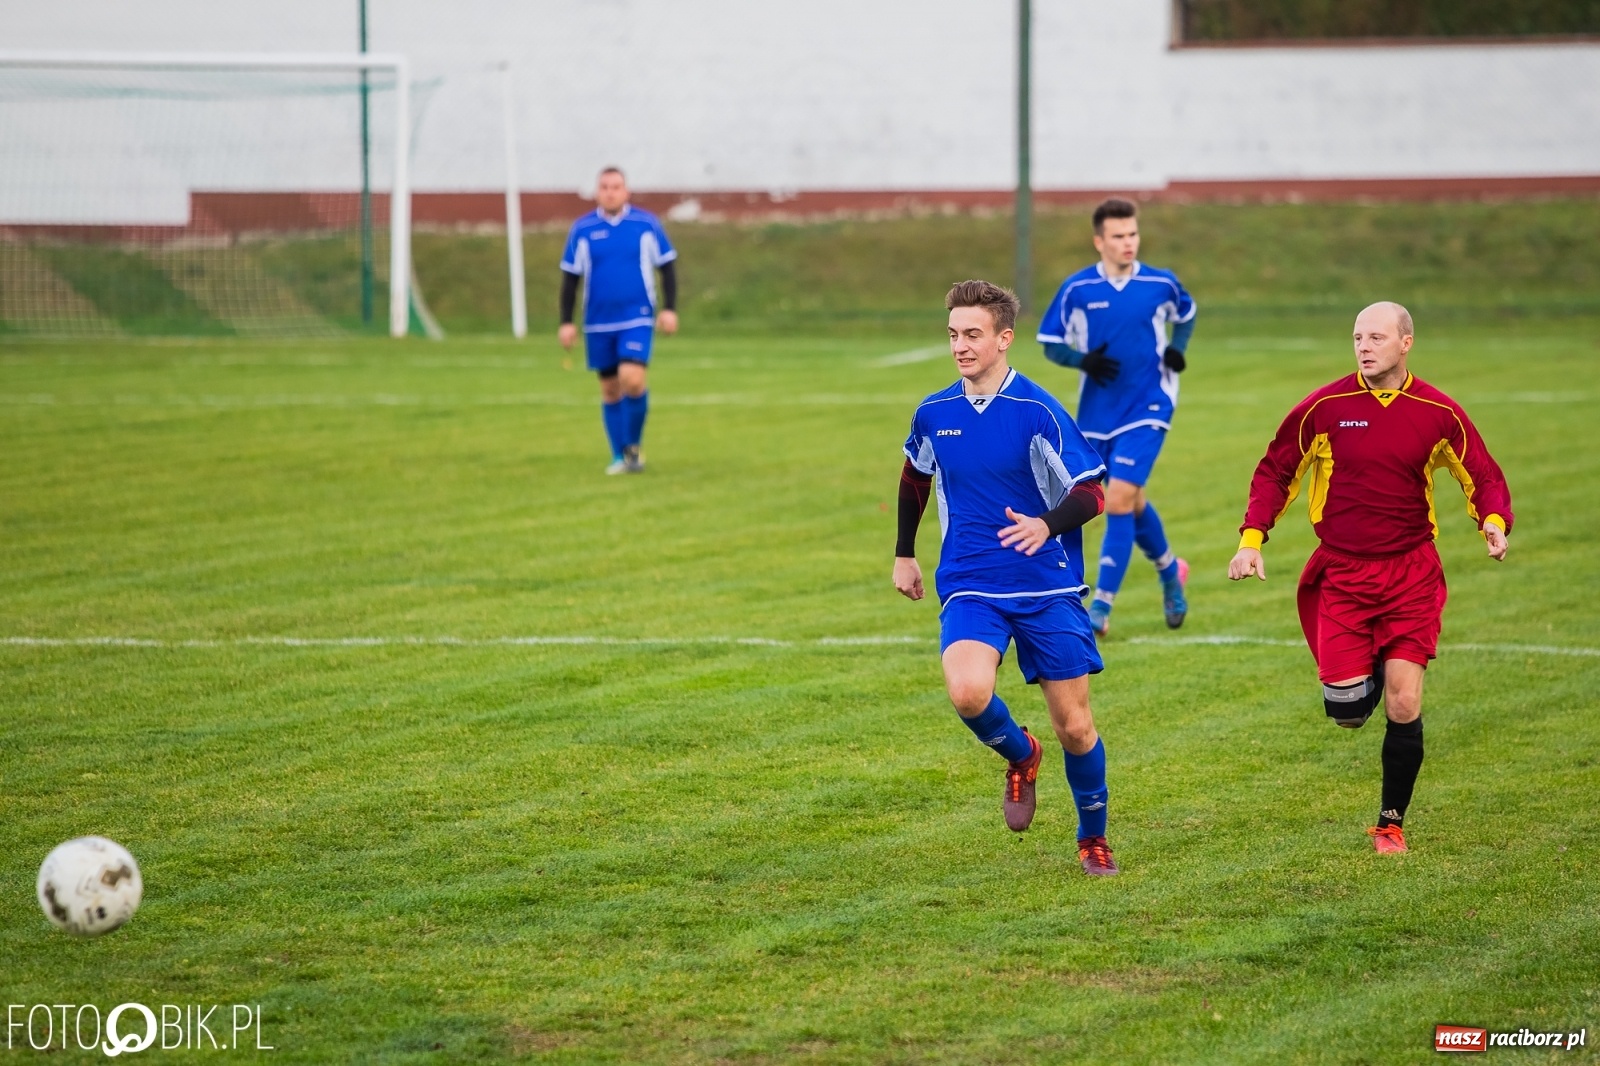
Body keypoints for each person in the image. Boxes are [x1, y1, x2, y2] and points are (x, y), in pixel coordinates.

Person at [1228, 302, 1513, 853]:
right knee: (1348, 712)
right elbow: (1276, 472)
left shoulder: (1438, 412)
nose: (1364, 346)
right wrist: (1251, 540)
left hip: (1411, 573)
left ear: (1406, 343)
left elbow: (1480, 471)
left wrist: (1493, 523)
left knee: (1403, 704)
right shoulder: (1325, 407)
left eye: (1377, 337)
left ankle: (1390, 823)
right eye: (1358, 337)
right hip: (1343, 574)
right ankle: (1374, 670)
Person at [894, 279, 1120, 876]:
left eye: (972, 335)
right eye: (953, 335)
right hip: (970, 580)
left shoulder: (1037, 409)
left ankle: (1091, 837)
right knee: (968, 691)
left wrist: (1047, 525)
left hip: (1046, 585)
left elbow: (1093, 492)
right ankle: (1022, 756)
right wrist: (904, 553)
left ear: (1004, 338)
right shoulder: (934, 411)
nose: (960, 346)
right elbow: (916, 476)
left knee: (1075, 727)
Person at [1037, 198, 1197, 637]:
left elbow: (1187, 313)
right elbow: (1049, 340)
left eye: (1133, 234)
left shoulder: (1160, 283)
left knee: (1120, 498)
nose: (1128, 243)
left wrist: (1177, 349)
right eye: (1118, 236)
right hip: (1096, 413)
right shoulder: (1078, 289)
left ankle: (1101, 607)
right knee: (1132, 498)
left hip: (1150, 404)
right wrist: (1082, 361)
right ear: (1099, 241)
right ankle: (1170, 572)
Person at [558, 167, 679, 474]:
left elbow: (667, 266)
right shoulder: (582, 229)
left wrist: (669, 309)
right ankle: (619, 456)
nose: (610, 191)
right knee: (610, 389)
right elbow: (570, 278)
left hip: (636, 317)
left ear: (626, 191)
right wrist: (566, 322)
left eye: (616, 186)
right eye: (605, 186)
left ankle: (633, 447)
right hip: (598, 322)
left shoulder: (645, 224)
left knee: (633, 379)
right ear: (597, 192)